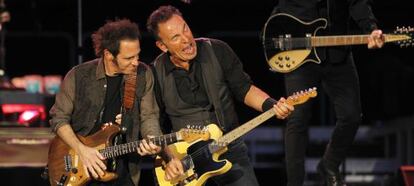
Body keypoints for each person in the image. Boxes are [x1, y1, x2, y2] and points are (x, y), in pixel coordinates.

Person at [146, 5, 294, 186]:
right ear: (162, 46)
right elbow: (154, 123)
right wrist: (169, 159)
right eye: (176, 37)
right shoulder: (154, 72)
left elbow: (244, 89)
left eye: (185, 28)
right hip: (184, 159)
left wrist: (272, 105)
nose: (186, 39)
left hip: (229, 147)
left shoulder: (217, 50)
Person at [269, 0, 385, 185]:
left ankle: (329, 165)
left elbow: (356, 2)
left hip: (338, 51)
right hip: (300, 51)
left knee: (352, 115)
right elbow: (283, 6)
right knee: (297, 120)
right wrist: (272, 28)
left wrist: (370, 28)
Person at [49, 19, 162, 186]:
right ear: (109, 55)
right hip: (79, 162)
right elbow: (58, 119)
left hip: (122, 168)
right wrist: (83, 151)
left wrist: (154, 139)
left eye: (137, 54)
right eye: (129, 57)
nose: (136, 62)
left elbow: (149, 116)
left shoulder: (142, 74)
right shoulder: (79, 75)